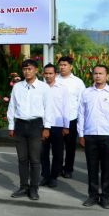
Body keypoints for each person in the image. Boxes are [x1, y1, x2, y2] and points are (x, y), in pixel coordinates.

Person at [6, 59, 51, 201]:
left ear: (36, 70)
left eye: (30, 69)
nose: (27, 71)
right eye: (24, 69)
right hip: (20, 125)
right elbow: (12, 107)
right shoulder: (17, 87)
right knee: (22, 158)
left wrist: (47, 127)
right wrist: (11, 126)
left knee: (35, 159)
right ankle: (23, 186)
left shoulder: (44, 88)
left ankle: (34, 188)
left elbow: (48, 108)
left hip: (36, 125)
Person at [78, 65, 109, 209]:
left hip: (108, 135)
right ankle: (93, 196)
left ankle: (105, 197)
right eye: (95, 73)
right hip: (90, 135)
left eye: (101, 74)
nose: (98, 76)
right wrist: (81, 134)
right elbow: (81, 114)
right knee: (92, 167)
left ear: (107, 76)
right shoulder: (86, 93)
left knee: (106, 168)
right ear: (92, 75)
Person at [57, 56, 86, 179]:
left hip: (71, 118)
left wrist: (81, 121)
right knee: (57, 146)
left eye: (65, 65)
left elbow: (82, 102)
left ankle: (68, 169)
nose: (62, 67)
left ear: (71, 66)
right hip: (56, 119)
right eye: (61, 65)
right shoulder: (54, 79)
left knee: (70, 147)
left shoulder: (78, 82)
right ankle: (57, 168)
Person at [40, 63, 69, 188]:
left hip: (57, 125)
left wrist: (66, 126)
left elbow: (66, 108)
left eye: (50, 73)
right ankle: (45, 175)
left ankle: (54, 177)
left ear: (55, 74)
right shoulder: (40, 88)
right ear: (43, 74)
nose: (48, 76)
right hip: (42, 125)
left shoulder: (62, 88)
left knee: (57, 153)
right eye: (46, 73)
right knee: (43, 153)